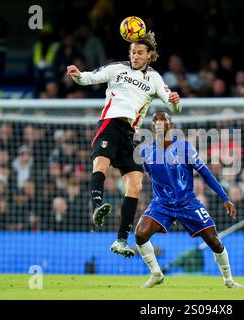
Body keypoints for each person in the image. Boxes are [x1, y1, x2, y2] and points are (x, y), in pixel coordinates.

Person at [66, 32, 181, 257]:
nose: (135, 56)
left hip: (130, 133)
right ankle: (96, 206)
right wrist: (77, 75)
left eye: (139, 53)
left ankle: (120, 240)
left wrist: (176, 102)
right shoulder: (117, 68)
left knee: (136, 185)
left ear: (150, 55)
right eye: (132, 52)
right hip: (110, 123)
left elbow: (172, 105)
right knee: (101, 165)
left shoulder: (155, 78)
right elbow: (88, 77)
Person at [134, 111, 244, 289]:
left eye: (163, 120)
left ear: (172, 126)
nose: (159, 123)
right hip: (161, 204)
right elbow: (147, 176)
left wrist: (224, 197)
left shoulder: (185, 147)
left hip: (187, 203)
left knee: (214, 241)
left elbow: (205, 173)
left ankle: (229, 280)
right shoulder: (146, 151)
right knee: (140, 233)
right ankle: (156, 273)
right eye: (155, 120)